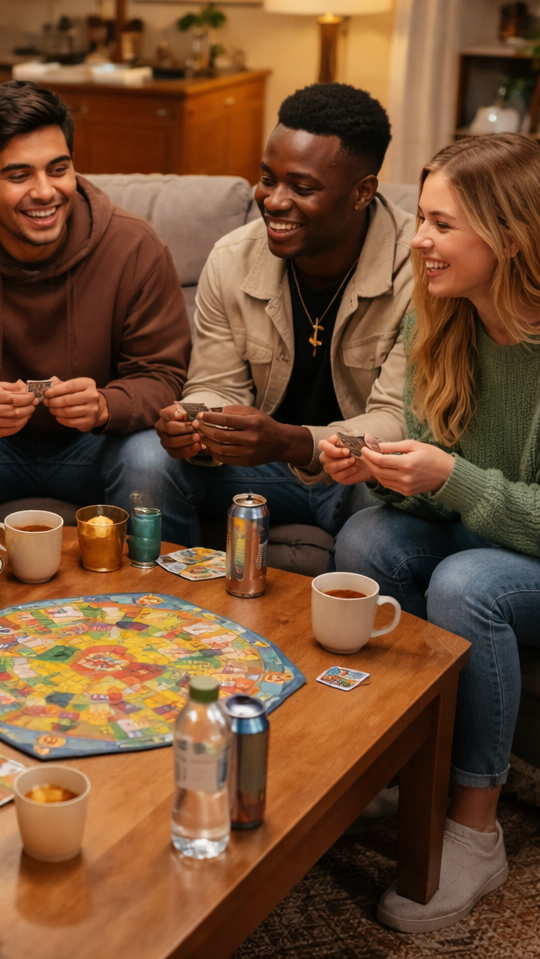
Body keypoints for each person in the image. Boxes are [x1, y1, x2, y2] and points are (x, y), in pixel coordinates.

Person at [324, 133, 540, 932]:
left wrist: (451, 478)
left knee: (468, 585)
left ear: (510, 237)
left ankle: (476, 832)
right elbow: (433, 498)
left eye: (443, 225)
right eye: (422, 218)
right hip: (491, 532)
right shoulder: (441, 316)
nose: (418, 240)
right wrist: (389, 470)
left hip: (518, 556)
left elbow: (469, 490)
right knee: (369, 540)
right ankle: (409, 769)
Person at [0, 81, 191, 532]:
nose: (45, 192)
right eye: (19, 175)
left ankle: (161, 598)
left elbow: (163, 375)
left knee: (149, 452)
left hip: (98, 447)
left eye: (58, 169)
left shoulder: (134, 246)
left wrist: (106, 405)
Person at [152, 84, 414, 548]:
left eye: (303, 187)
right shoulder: (232, 257)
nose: (273, 200)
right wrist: (194, 419)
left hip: (360, 478)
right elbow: (215, 384)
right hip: (260, 469)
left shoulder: (417, 272)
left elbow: (398, 424)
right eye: (268, 179)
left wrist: (295, 442)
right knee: (147, 461)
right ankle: (169, 608)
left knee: (388, 512)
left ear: (362, 192)